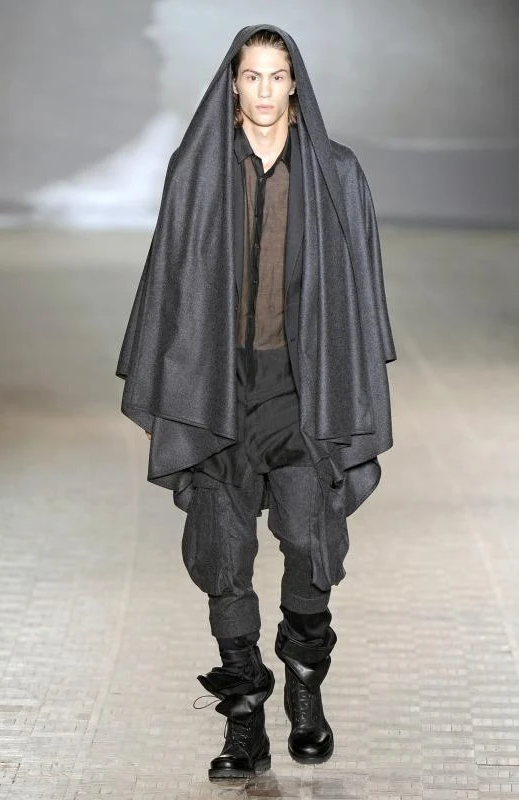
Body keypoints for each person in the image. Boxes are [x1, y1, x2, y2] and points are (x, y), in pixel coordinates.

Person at [116, 24, 395, 780]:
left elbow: (358, 294)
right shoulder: (197, 171)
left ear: (295, 83)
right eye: (252, 76)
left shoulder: (336, 172)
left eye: (277, 76)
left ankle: (304, 682)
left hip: (301, 393)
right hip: (219, 392)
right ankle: (245, 721)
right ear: (233, 83)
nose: (265, 90)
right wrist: (177, 383)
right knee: (224, 556)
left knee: (310, 540)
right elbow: (171, 282)